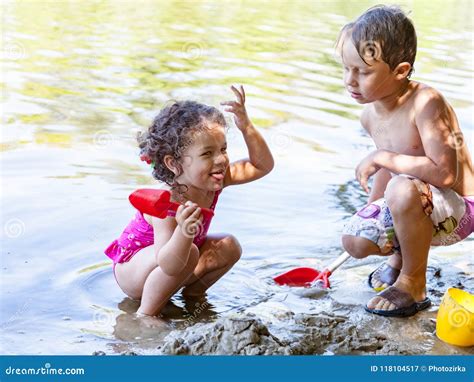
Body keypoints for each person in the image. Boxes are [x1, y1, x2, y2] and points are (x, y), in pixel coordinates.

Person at [337, 5, 474, 317]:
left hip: (461, 209)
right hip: (421, 200)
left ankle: (413, 282)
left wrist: (383, 156)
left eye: (364, 72)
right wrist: (368, 212)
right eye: (346, 68)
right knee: (355, 239)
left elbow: (445, 174)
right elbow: (390, 169)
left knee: (401, 189)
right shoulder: (369, 115)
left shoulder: (426, 103)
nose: (350, 80)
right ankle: (399, 261)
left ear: (400, 70)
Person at [105, 85, 274, 317]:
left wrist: (247, 127)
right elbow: (168, 264)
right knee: (191, 252)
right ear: (174, 164)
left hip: (175, 262)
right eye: (207, 154)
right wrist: (184, 232)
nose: (220, 160)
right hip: (136, 271)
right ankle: (145, 314)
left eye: (223, 149)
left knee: (228, 246)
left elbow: (261, 166)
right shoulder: (167, 201)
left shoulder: (216, 179)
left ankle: (193, 297)